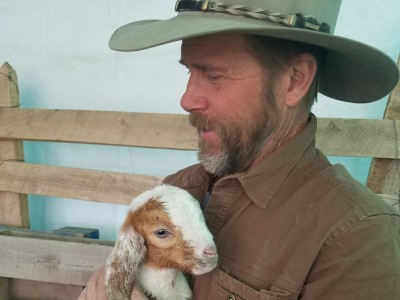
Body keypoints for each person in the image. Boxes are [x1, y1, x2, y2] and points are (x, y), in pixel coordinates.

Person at [79, 0, 400, 299]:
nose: (187, 99)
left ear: (294, 81)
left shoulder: (359, 238)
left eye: (214, 75)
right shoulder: (178, 188)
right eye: (189, 71)